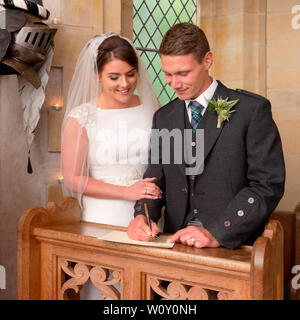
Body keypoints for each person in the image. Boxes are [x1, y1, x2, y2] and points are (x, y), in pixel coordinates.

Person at [127, 22, 285, 250]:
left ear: (207, 60)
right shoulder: (164, 117)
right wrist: (143, 216)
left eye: (183, 73)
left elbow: (267, 185)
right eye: (168, 74)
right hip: (174, 245)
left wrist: (218, 232)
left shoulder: (251, 110)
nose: (174, 83)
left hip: (232, 247)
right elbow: (154, 180)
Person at [61, 33, 161, 298]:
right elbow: (73, 179)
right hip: (102, 218)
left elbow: (166, 162)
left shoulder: (153, 108)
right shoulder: (81, 117)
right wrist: (126, 192)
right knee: (107, 292)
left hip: (150, 215)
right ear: (97, 75)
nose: (124, 84)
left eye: (130, 74)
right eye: (114, 77)